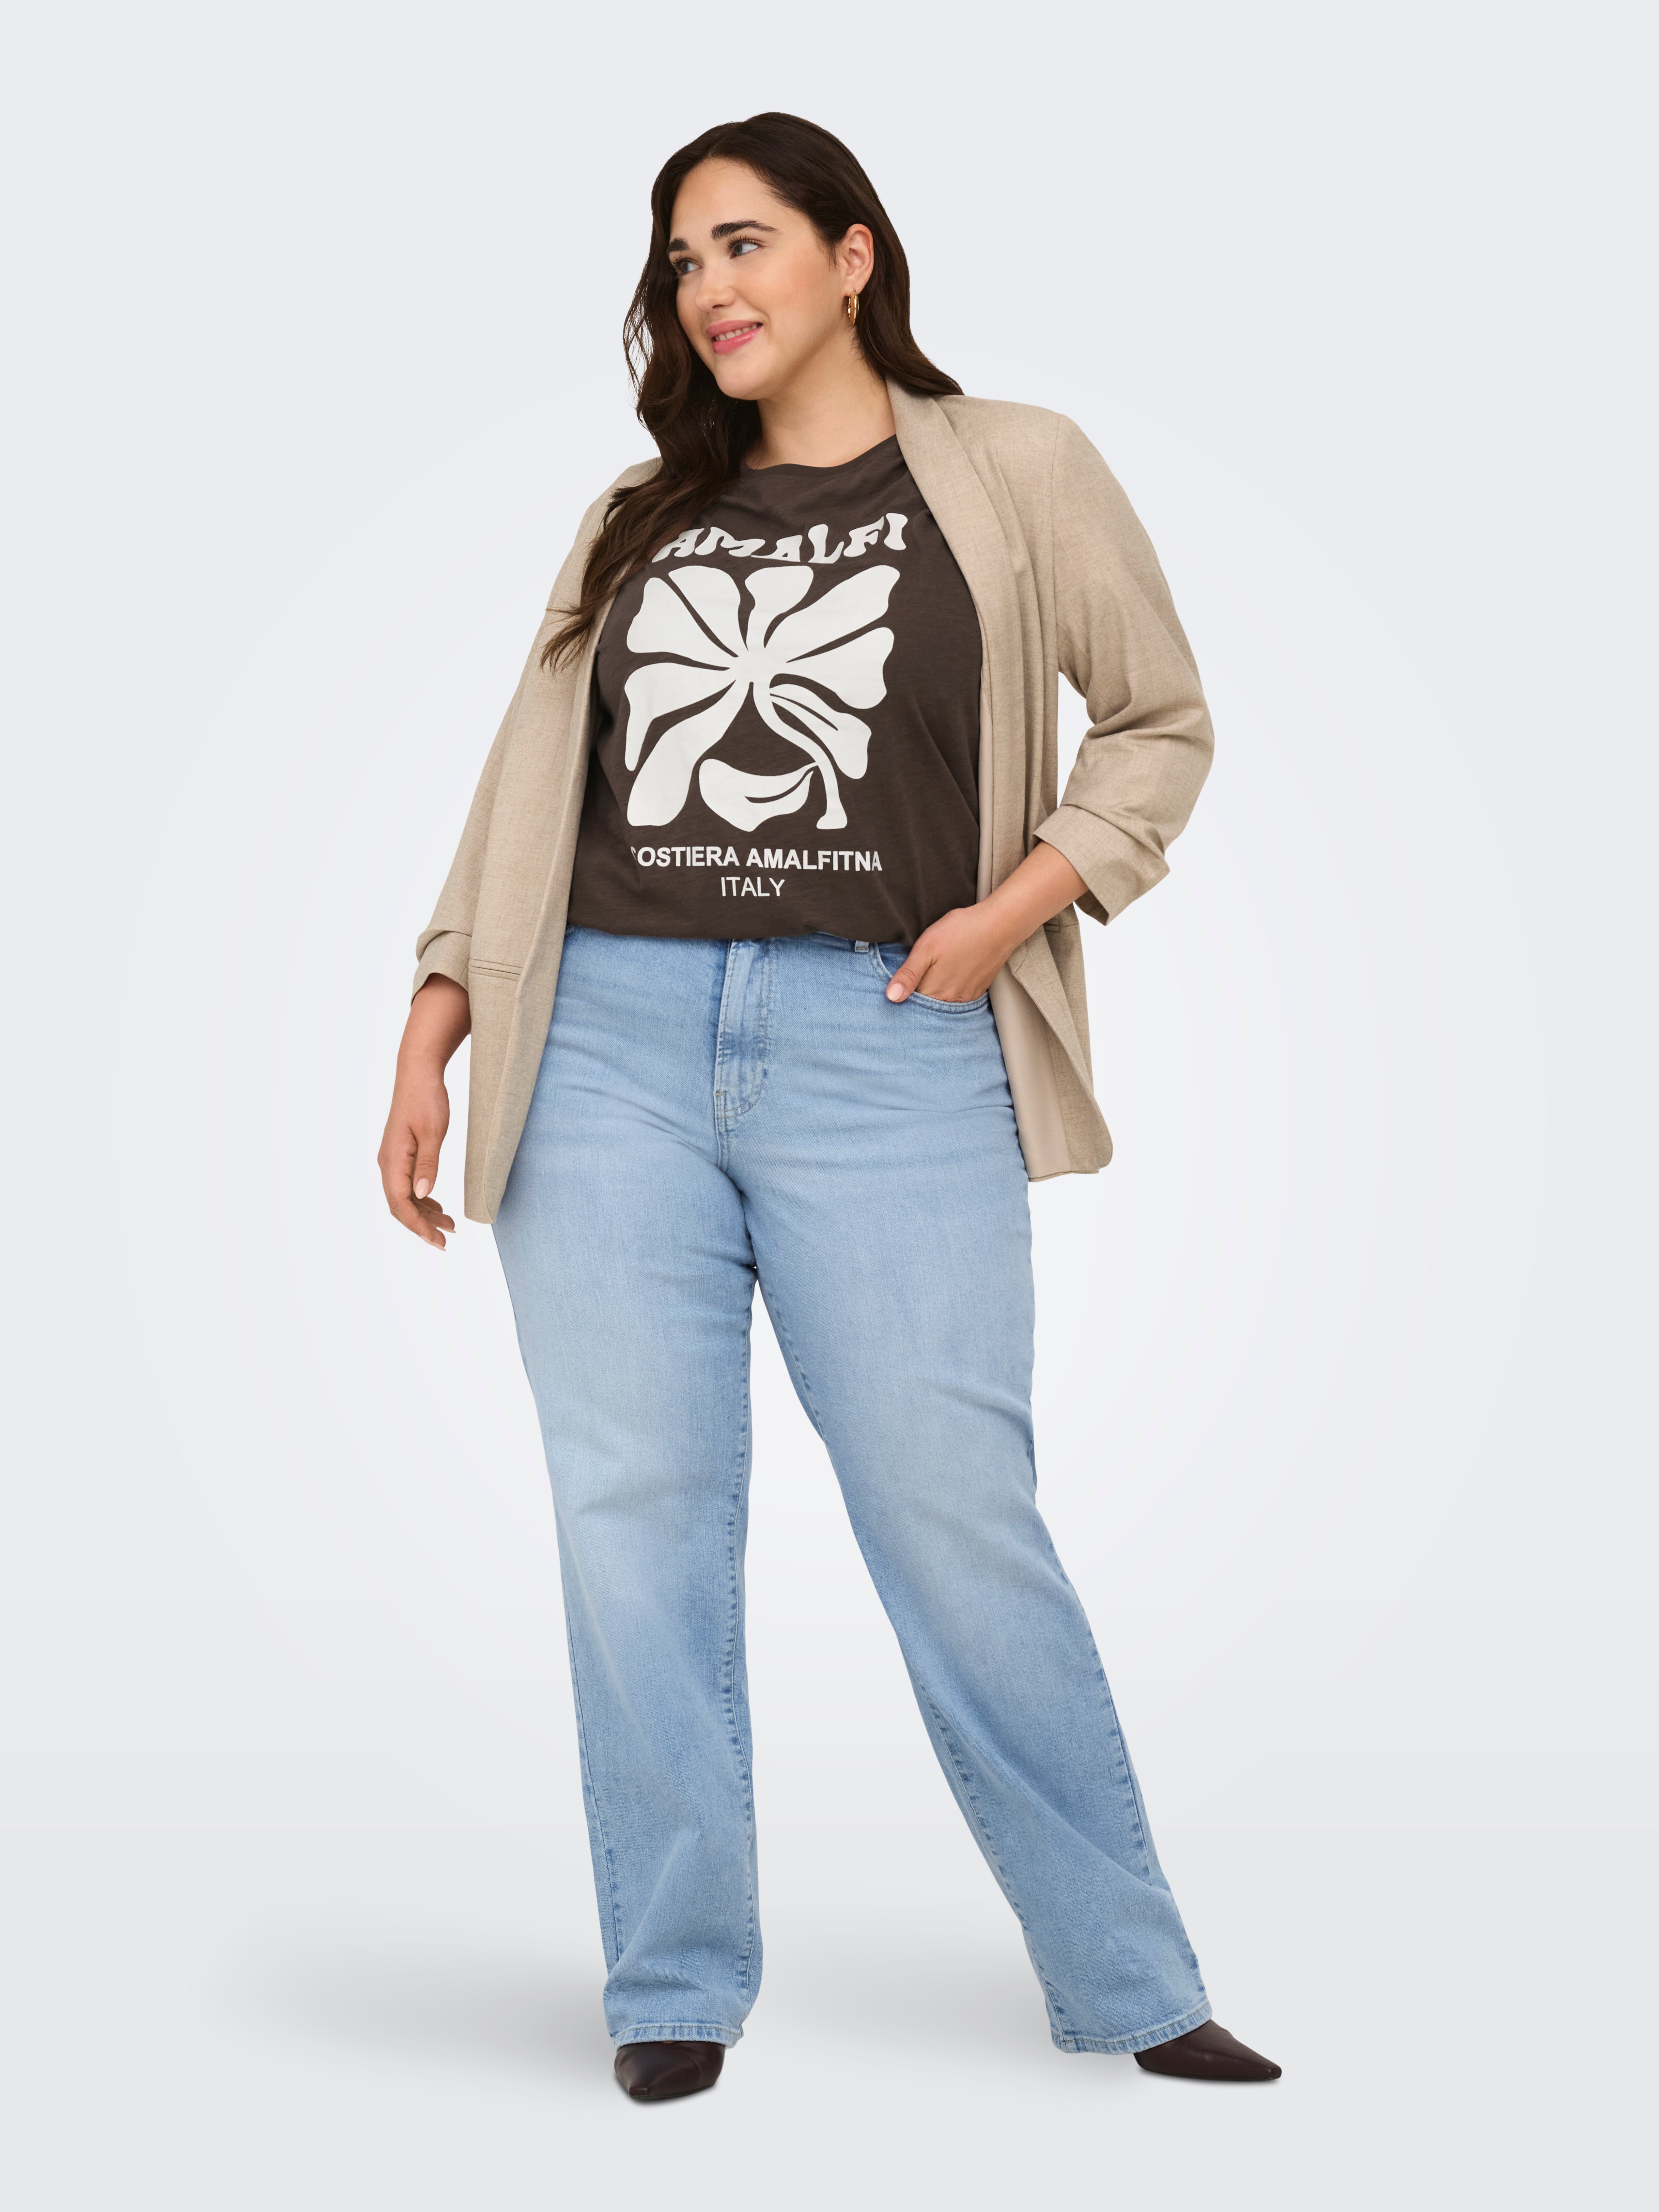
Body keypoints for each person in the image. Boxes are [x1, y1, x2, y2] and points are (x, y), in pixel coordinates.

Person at [378, 112, 1280, 2102]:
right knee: (633, 1517)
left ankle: (1132, 1978)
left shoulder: (1018, 467)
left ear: (853, 255)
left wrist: (1010, 917)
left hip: (892, 1036)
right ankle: (673, 1979)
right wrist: (441, 1011)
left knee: (955, 1513)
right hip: (602, 1039)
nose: (709, 289)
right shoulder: (635, 514)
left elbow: (1160, 723)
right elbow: (533, 782)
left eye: (745, 242)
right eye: (680, 261)